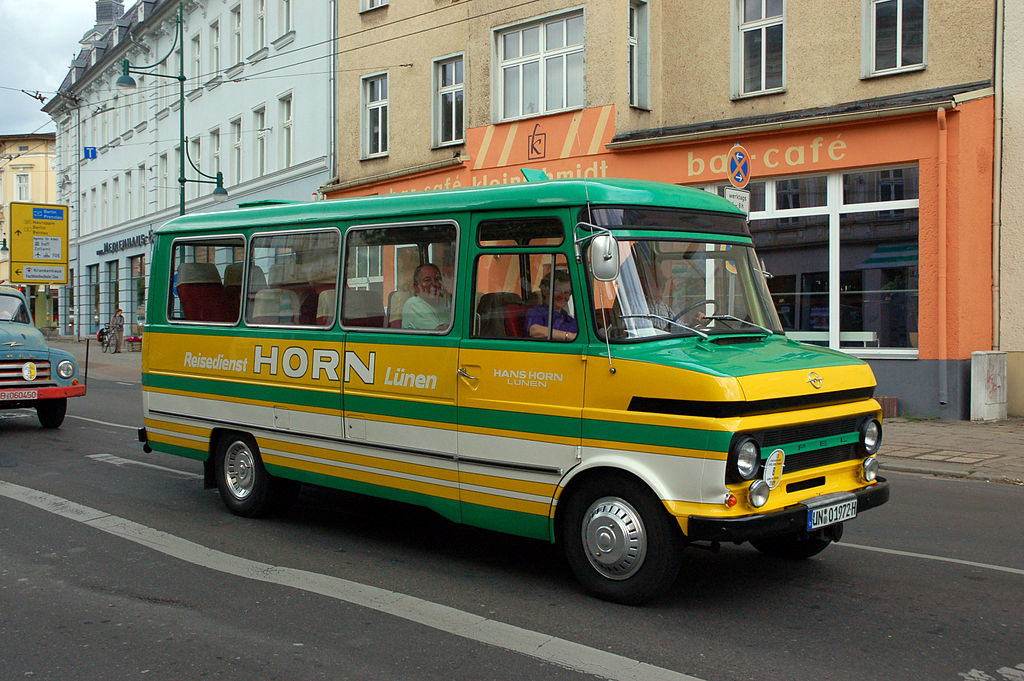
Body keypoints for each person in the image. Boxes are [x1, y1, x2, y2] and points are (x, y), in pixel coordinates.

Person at [527, 271, 577, 341]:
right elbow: (534, 331)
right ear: (545, 291)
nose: (562, 296)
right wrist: (568, 336)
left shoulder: (568, 319)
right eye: (557, 290)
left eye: (566, 292)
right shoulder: (536, 312)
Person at [401, 263, 450, 330]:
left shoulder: (442, 302)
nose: (434, 283)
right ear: (416, 287)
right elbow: (439, 331)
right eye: (427, 280)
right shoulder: (413, 304)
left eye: (436, 279)